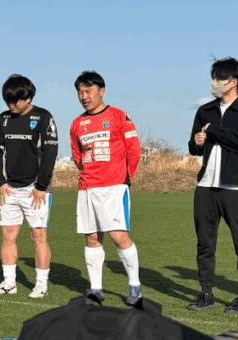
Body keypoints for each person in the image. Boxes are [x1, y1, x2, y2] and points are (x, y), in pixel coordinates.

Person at [186, 57, 238, 314]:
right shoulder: (205, 110)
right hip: (205, 186)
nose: (215, 83)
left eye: (220, 78)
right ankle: (206, 293)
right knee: (204, 244)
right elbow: (193, 147)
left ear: (234, 82)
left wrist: (215, 132)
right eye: (214, 78)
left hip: (235, 188)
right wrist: (197, 142)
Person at [70, 71, 143, 305]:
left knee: (118, 236)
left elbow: (134, 149)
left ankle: (134, 286)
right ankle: (96, 289)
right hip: (87, 187)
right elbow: (77, 155)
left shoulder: (119, 115)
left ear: (101, 91)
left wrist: (125, 177)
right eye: (80, 92)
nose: (84, 96)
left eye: (88, 91)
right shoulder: (77, 123)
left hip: (114, 187)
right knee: (92, 238)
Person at [0, 74, 59, 298]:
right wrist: (0, 181)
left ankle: (41, 285)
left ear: (28, 98)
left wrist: (41, 185)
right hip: (9, 188)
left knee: (38, 236)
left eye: (15, 100)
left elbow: (50, 153)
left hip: (36, 189)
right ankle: (9, 283)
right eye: (7, 99)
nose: (10, 104)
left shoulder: (43, 117)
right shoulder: (3, 119)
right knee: (7, 235)